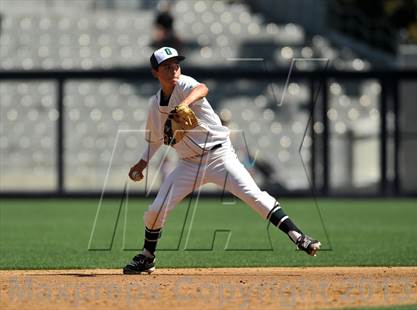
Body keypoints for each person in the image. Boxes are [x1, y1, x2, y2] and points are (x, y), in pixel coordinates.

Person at [123, 47, 321, 274]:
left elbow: (202, 88)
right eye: (167, 67)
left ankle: (299, 237)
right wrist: (142, 163)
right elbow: (156, 139)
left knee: (254, 196)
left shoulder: (185, 84)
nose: (174, 69)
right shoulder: (154, 105)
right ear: (155, 72)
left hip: (219, 155)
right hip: (188, 164)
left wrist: (184, 104)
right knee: (155, 210)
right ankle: (148, 257)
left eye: (176, 64)